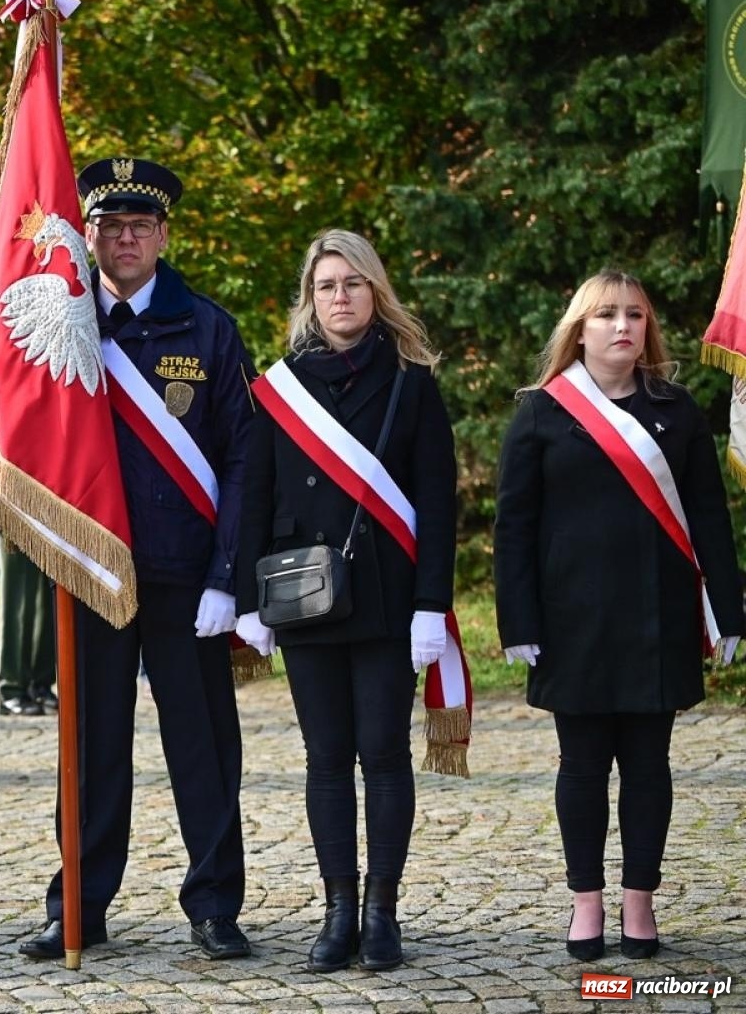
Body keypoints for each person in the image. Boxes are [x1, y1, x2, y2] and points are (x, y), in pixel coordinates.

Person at [18, 158, 256, 962]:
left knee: (204, 744)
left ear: (163, 235)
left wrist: (230, 577)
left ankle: (216, 904)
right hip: (90, 571)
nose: (124, 238)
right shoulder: (63, 323)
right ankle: (78, 903)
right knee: (89, 747)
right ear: (86, 234)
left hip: (187, 577)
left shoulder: (210, 329)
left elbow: (243, 461)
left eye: (140, 226)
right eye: (109, 226)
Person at [493, 269, 742, 962]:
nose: (623, 325)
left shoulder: (678, 408)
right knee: (580, 765)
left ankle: (639, 899)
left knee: (648, 764)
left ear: (647, 329)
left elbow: (709, 519)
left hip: (656, 617)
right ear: (581, 327)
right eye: (607, 314)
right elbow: (514, 525)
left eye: (635, 314)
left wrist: (727, 609)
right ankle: (586, 902)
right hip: (570, 621)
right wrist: (518, 620)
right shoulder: (542, 411)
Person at [234, 228, 456, 972]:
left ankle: (381, 910)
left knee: (384, 753)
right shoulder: (279, 387)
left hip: (389, 597)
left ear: (375, 292)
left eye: (353, 283)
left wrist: (433, 602)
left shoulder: (411, 380)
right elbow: (255, 493)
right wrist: (246, 599)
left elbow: (436, 500)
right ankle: (336, 909)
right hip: (303, 596)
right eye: (327, 285)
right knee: (325, 757)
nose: (340, 296)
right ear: (310, 298)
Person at [0, 529, 56, 716]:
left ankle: (41, 684)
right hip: (14, 511)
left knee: (50, 603)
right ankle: (11, 688)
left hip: (52, 514)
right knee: (18, 603)